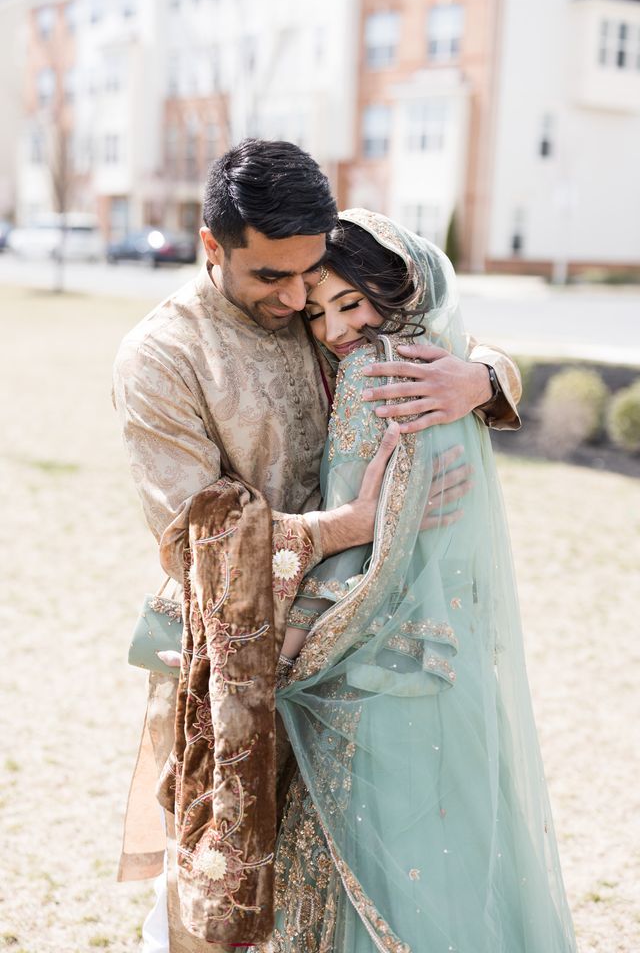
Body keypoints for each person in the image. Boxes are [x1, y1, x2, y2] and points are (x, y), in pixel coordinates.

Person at [112, 140, 522, 952]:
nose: (301, 298)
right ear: (210, 248)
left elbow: (422, 309)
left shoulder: (319, 297)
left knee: (352, 894)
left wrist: (483, 378)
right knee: (223, 895)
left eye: (310, 273)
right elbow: (197, 544)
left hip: (371, 664)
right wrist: (350, 528)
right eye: (272, 277)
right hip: (248, 664)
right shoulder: (163, 357)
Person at [246, 210, 576, 952]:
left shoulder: (376, 373)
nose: (332, 330)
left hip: (375, 660)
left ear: (396, 290)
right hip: (445, 656)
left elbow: (362, 547)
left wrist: (290, 647)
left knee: (379, 864)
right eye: (318, 311)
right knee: (448, 852)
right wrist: (483, 373)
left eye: (348, 303)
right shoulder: (434, 352)